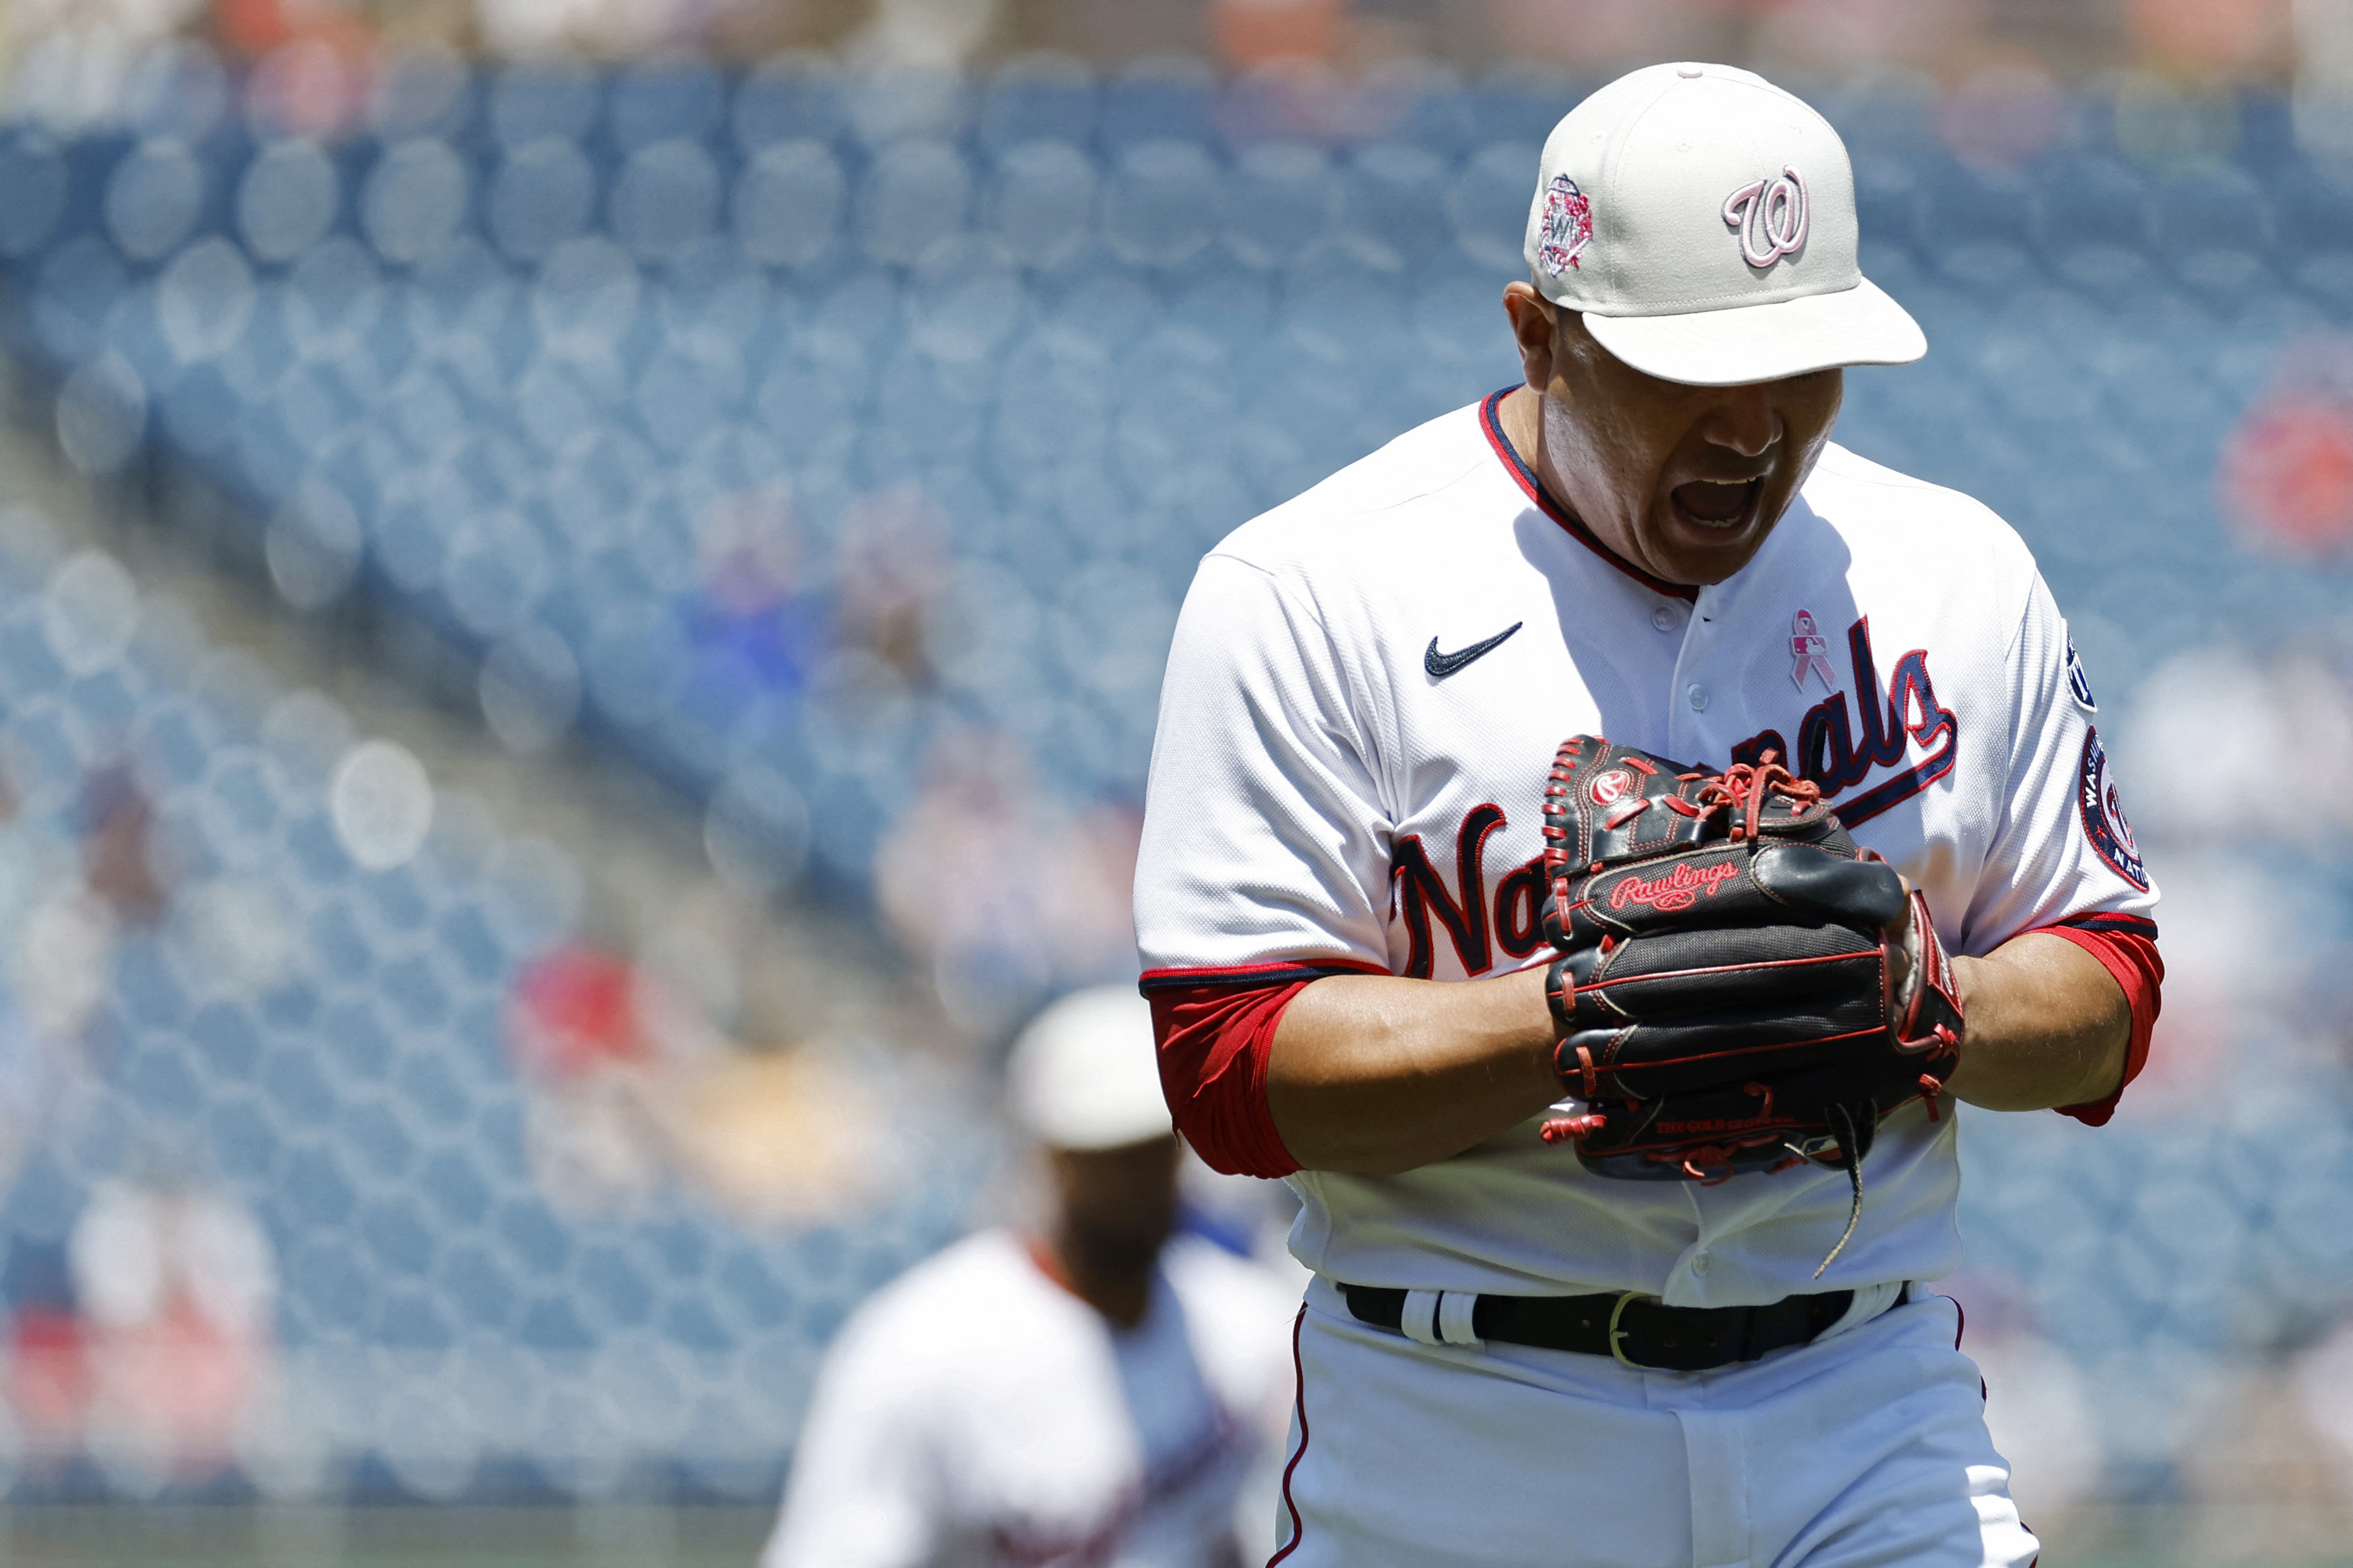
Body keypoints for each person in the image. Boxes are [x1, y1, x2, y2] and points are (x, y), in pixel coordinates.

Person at [1134, 62, 2163, 1567]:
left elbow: (2108, 992)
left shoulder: (1950, 566)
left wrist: (1914, 1001)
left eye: (1801, 361)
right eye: (1689, 371)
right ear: (1539, 335)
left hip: (1861, 1402)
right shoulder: (1307, 594)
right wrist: (1584, 1011)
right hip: (1465, 1427)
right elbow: (1224, 1067)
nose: (1752, 426)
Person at [761, 986, 1296, 1568]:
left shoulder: (1242, 1322)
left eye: (1150, 1149)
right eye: (1104, 1154)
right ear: (1048, 1155)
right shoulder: (919, 1350)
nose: (1133, 1180)